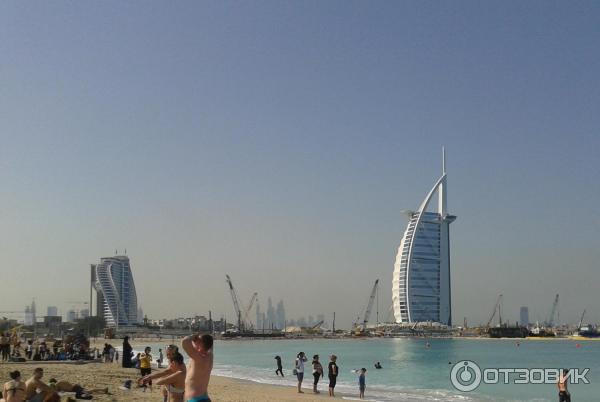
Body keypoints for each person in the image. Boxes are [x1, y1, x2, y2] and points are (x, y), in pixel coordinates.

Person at [182, 334, 213, 402]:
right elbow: (210, 345)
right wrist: (198, 340)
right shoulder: (210, 357)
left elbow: (184, 341)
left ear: (201, 344)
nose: (194, 341)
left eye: (196, 340)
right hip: (205, 398)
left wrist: (193, 336)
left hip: (195, 399)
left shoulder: (198, 358)